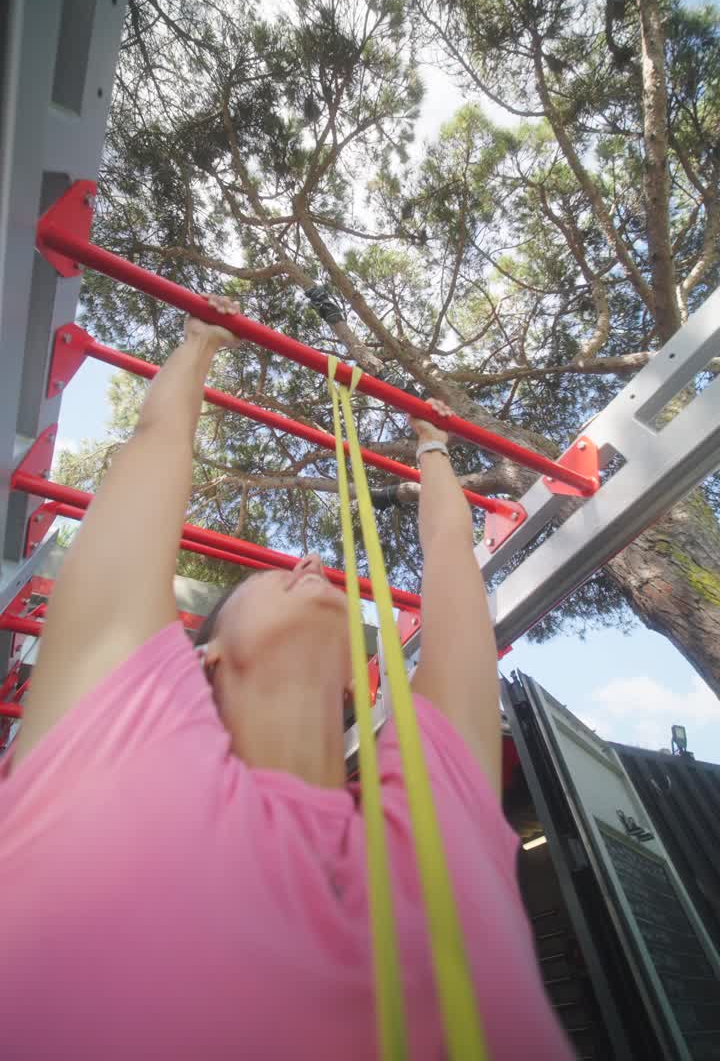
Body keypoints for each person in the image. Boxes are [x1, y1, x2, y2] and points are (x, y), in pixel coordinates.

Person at [0, 295, 573, 1060]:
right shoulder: (121, 729)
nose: (309, 561)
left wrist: (432, 443)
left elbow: (451, 563)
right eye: (271, 575)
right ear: (202, 659)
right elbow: (156, 440)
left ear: (353, 681)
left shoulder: (439, 809)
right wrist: (201, 342)